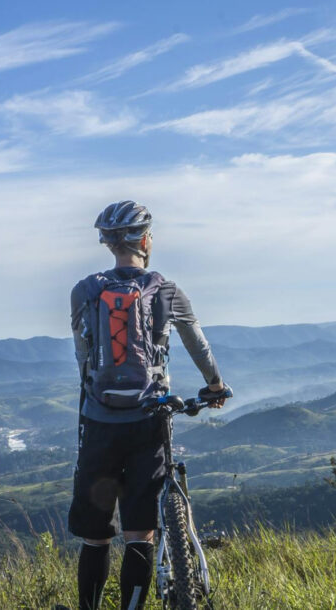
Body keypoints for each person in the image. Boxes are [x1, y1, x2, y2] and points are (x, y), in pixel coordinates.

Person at [67, 200, 229, 610]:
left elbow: (83, 358)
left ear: (109, 243)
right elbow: (199, 346)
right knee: (140, 532)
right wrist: (215, 385)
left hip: (98, 422)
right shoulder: (167, 291)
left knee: (96, 533)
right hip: (149, 421)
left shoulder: (84, 292)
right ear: (144, 240)